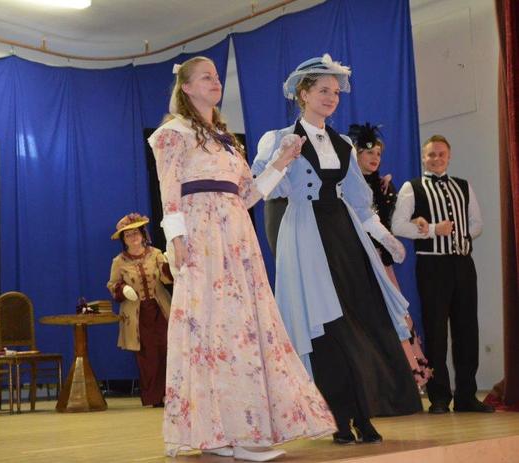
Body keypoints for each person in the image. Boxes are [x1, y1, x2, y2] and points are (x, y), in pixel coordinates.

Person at [149, 56, 334, 462]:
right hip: (202, 237)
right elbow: (168, 190)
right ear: (187, 88)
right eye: (207, 77)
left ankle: (234, 431)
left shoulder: (226, 140)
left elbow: (247, 195)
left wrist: (282, 162)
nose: (216, 82)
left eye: (217, 76)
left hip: (236, 239)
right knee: (212, 330)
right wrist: (176, 238)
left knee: (241, 331)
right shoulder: (173, 134)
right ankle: (225, 434)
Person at [252, 54, 422, 445]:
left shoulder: (343, 144)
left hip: (345, 236)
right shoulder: (277, 138)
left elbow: (360, 203)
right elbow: (266, 189)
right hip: (305, 236)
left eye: (335, 92)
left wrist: (385, 236)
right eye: (323, 90)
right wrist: (282, 159)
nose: (331, 97)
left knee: (360, 323)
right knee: (325, 332)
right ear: (303, 93)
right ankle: (340, 419)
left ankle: (364, 413)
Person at [391, 134, 494, 414]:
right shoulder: (412, 188)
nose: (436, 159)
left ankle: (467, 396)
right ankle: (439, 397)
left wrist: (458, 234)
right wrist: (435, 230)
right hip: (432, 266)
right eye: (431, 154)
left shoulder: (463, 186)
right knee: (436, 330)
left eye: (441, 154)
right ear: (424, 158)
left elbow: (477, 224)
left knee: (467, 330)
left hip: (463, 265)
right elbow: (397, 225)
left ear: (449, 157)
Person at [348, 122, 432, 387]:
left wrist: (416, 220)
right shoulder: (344, 187)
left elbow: (394, 222)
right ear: (356, 154)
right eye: (369, 152)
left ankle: (401, 381)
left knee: (392, 316)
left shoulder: (384, 187)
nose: (375, 158)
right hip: (356, 263)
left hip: (381, 264)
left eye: (379, 154)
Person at [107, 213, 172, 408]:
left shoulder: (156, 253)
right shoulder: (119, 261)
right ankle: (154, 397)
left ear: (143, 235)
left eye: (136, 233)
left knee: (167, 350)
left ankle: (171, 394)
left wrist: (169, 265)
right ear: (123, 240)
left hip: (160, 310)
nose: (133, 237)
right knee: (147, 356)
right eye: (128, 235)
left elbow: (167, 279)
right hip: (137, 316)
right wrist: (123, 289)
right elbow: (112, 284)